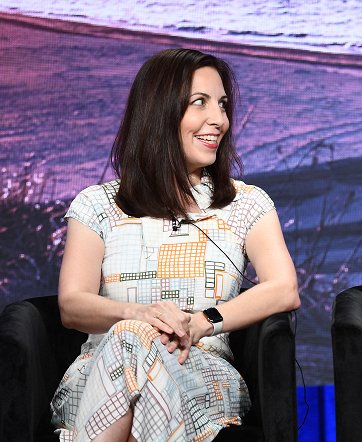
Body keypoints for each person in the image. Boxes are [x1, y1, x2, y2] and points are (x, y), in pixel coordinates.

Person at [50, 48, 300, 441]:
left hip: (197, 376)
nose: (218, 120)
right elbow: (72, 304)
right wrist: (139, 316)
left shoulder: (245, 203)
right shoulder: (96, 204)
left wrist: (202, 323)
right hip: (103, 373)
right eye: (199, 103)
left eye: (222, 105)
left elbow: (283, 289)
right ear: (159, 112)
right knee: (130, 337)